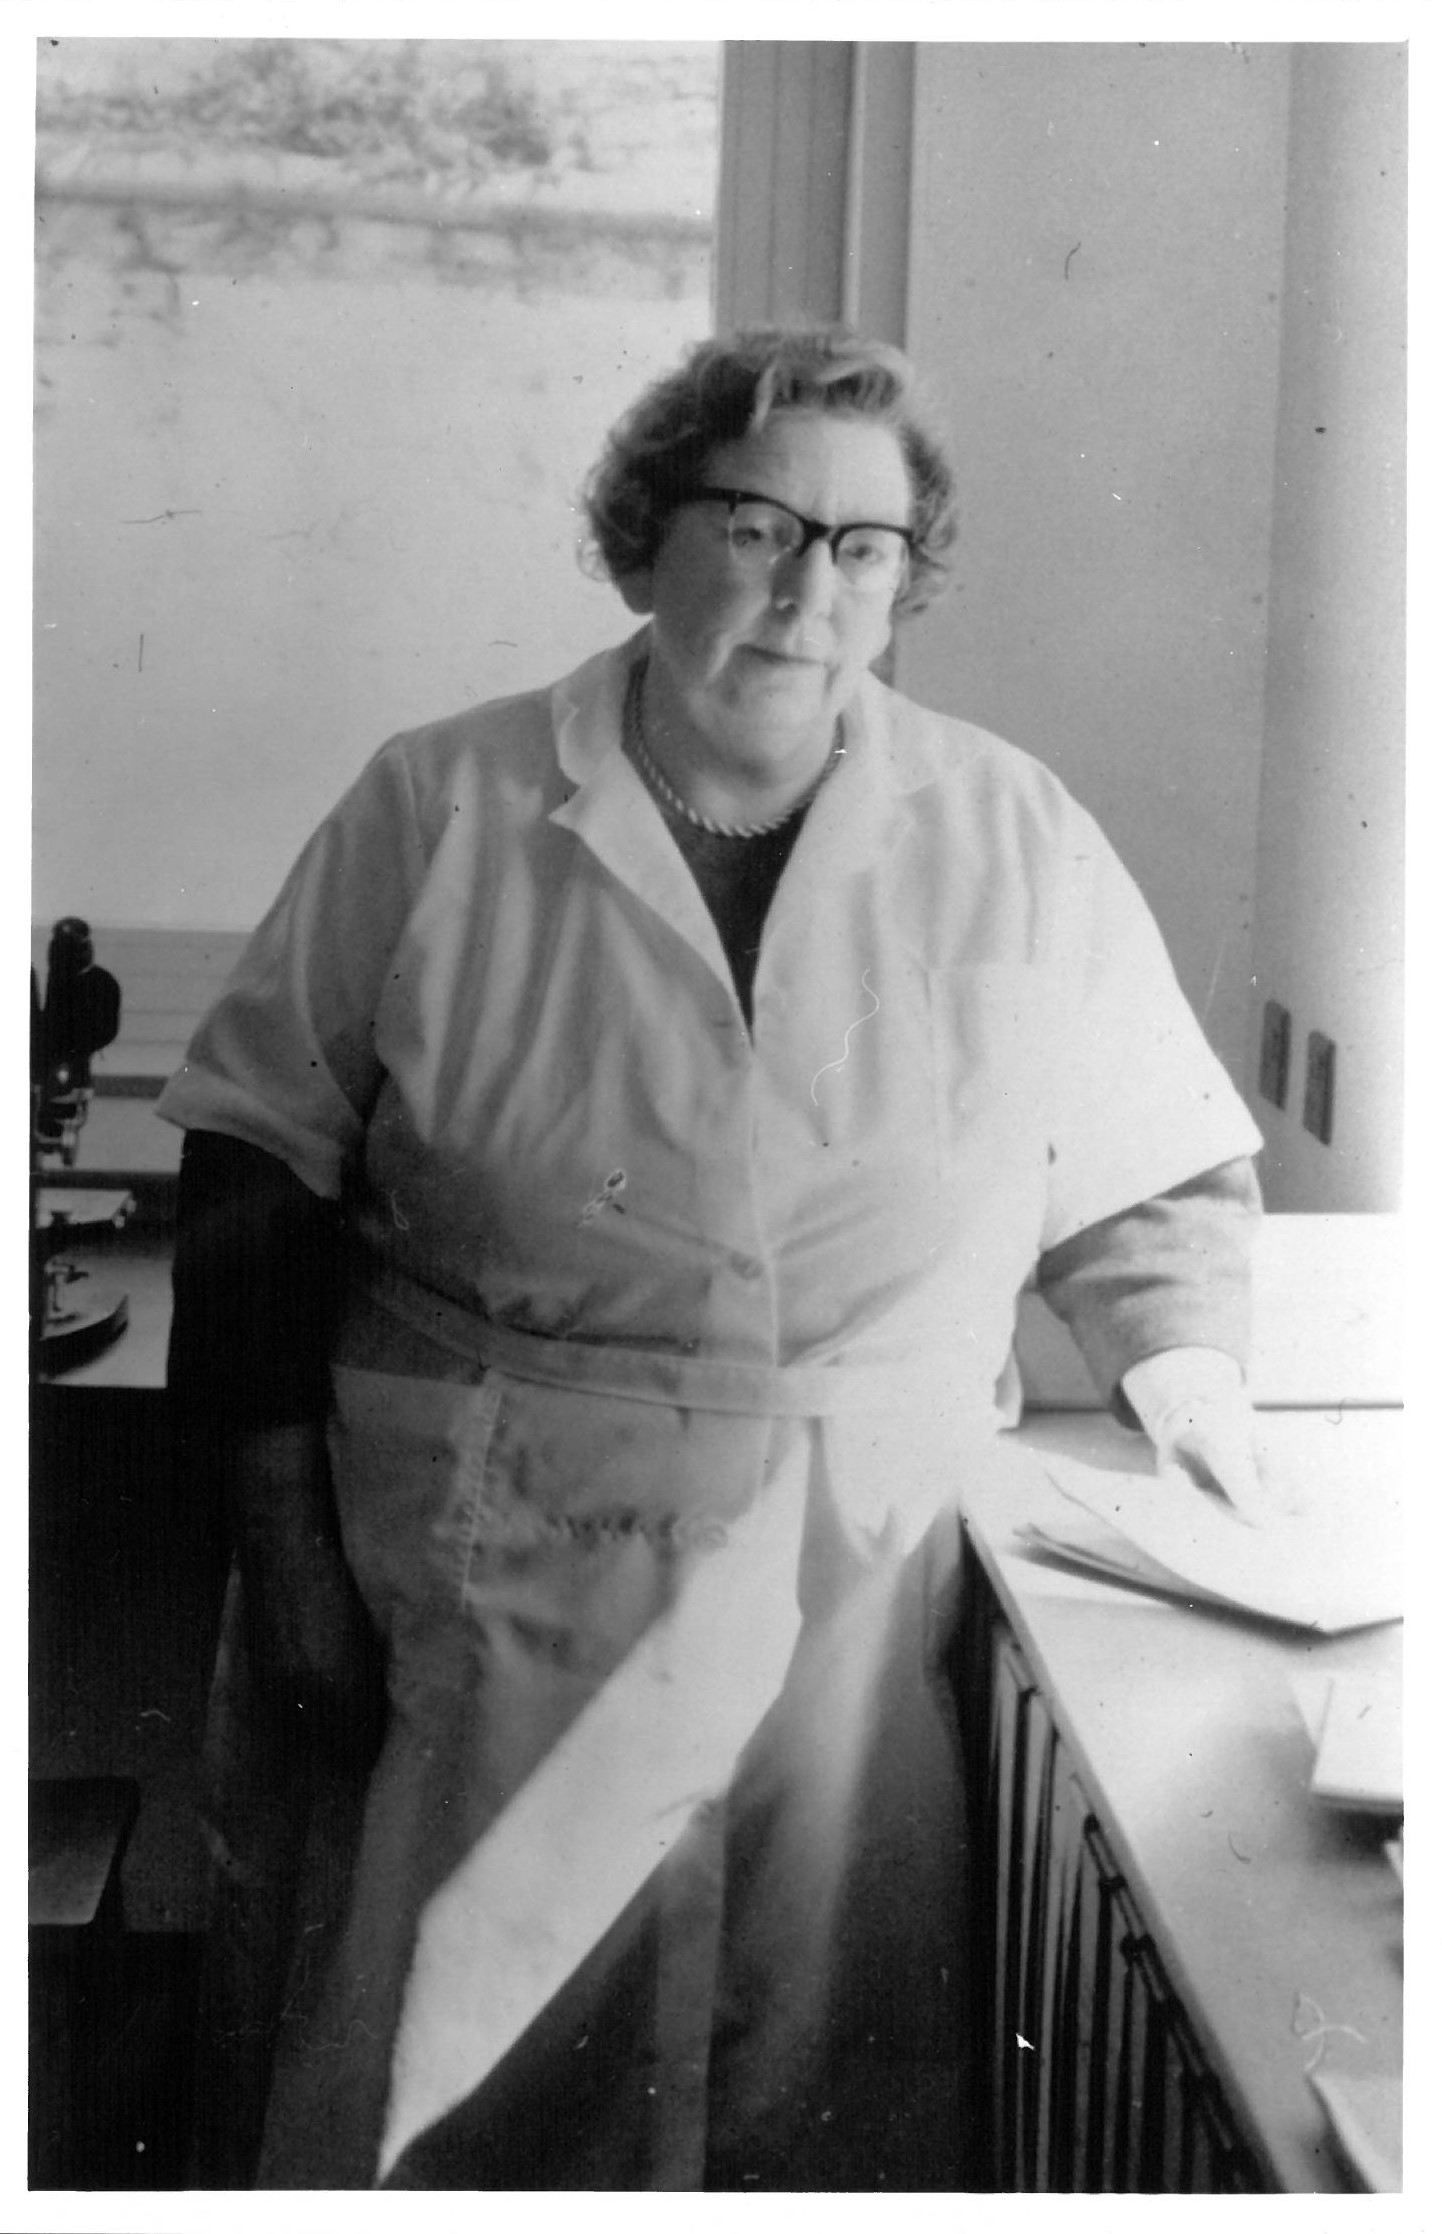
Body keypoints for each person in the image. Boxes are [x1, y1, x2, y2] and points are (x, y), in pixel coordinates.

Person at [160, 325, 1265, 2190]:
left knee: (803, 2105)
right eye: (756, 524)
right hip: (493, 1565)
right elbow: (255, 1163)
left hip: (847, 1601)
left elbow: (1149, 1175)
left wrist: (1190, 1385)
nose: (810, 589)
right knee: (448, 2087)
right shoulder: (440, 806)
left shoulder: (1010, 829)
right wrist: (285, 1549)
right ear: (641, 535)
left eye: (864, 548)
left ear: (908, 582)